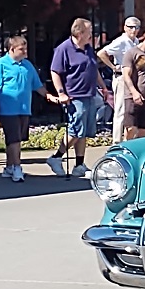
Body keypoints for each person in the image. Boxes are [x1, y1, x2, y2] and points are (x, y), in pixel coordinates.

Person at [0, 34, 58, 182]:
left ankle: (9, 167)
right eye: (21, 49)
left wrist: (49, 96)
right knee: (15, 139)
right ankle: (17, 168)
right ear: (11, 49)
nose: (25, 52)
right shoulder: (0, 64)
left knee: (14, 139)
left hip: (24, 108)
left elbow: (37, 85)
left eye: (25, 49)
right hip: (7, 108)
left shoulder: (27, 65)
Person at [47, 18, 109, 177]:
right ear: (80, 33)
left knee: (84, 131)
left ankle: (79, 164)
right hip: (74, 95)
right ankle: (56, 157)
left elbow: (94, 69)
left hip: (89, 93)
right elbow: (55, 71)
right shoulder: (64, 49)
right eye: (89, 32)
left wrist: (103, 87)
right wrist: (61, 93)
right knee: (76, 129)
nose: (91, 35)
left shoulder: (88, 48)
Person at [98, 16, 141, 141]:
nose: (134, 30)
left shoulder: (136, 41)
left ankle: (129, 140)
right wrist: (113, 67)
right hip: (121, 77)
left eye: (136, 27)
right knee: (120, 110)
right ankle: (116, 141)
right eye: (131, 27)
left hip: (132, 77)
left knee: (130, 110)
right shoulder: (121, 41)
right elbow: (101, 53)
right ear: (125, 27)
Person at [121, 28, 145, 140]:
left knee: (144, 130)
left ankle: (138, 148)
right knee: (131, 128)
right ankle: (126, 145)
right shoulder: (131, 53)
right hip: (132, 96)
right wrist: (134, 92)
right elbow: (126, 75)